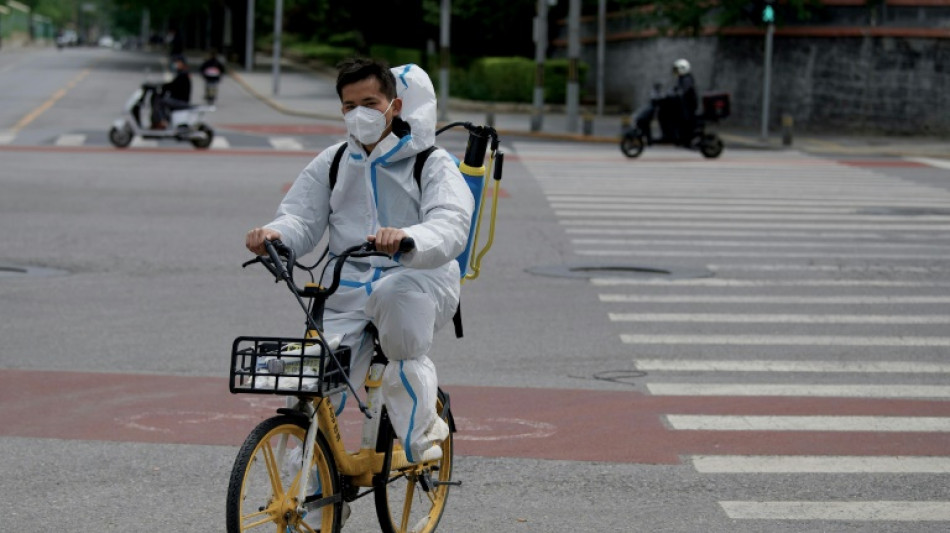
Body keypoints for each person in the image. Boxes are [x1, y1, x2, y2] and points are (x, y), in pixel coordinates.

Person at [245, 58, 474, 464]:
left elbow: (451, 222)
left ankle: (422, 431)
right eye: (350, 106)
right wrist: (275, 235)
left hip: (419, 280)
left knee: (396, 301)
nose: (360, 114)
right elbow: (301, 217)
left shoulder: (430, 162)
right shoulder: (334, 162)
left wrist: (408, 237)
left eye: (370, 102)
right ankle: (311, 500)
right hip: (346, 290)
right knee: (312, 382)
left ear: (395, 106)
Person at [151, 55, 192, 129]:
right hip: (179, 99)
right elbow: (172, 85)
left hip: (180, 101)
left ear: (182, 63)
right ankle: (164, 120)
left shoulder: (183, 74)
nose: (175, 64)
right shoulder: (182, 73)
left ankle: (161, 122)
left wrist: (162, 87)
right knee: (163, 100)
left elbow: (173, 86)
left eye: (177, 62)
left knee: (160, 102)